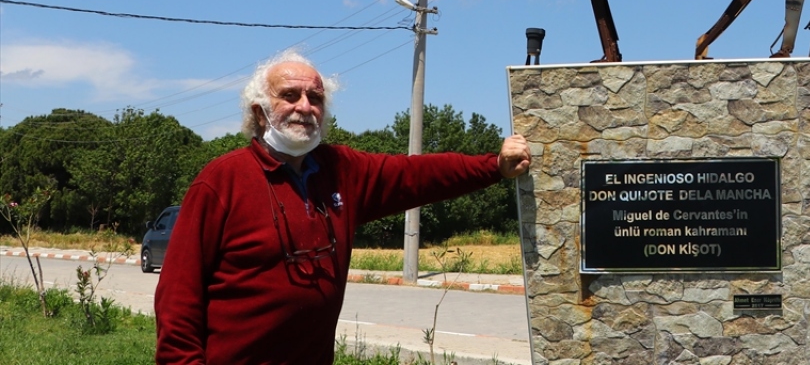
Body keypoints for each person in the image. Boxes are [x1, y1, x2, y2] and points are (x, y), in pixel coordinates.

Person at [154, 50, 530, 364]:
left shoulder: (341, 170)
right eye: (290, 95)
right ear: (259, 111)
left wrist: (493, 166)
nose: (305, 107)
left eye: (315, 98)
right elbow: (178, 301)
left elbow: (417, 175)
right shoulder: (221, 181)